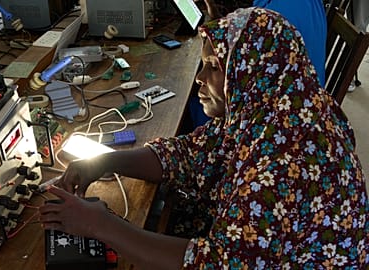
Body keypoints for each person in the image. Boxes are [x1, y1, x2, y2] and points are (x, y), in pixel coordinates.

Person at [39, 7, 369, 269]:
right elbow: (194, 154)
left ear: (248, 70)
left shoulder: (284, 157)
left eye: (213, 67)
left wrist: (101, 227)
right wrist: (104, 161)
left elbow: (220, 262)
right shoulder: (272, 105)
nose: (199, 78)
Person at [191, 0, 327, 128]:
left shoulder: (272, 22)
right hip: (304, 98)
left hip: (281, 110)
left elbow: (246, 64)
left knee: (192, 103)